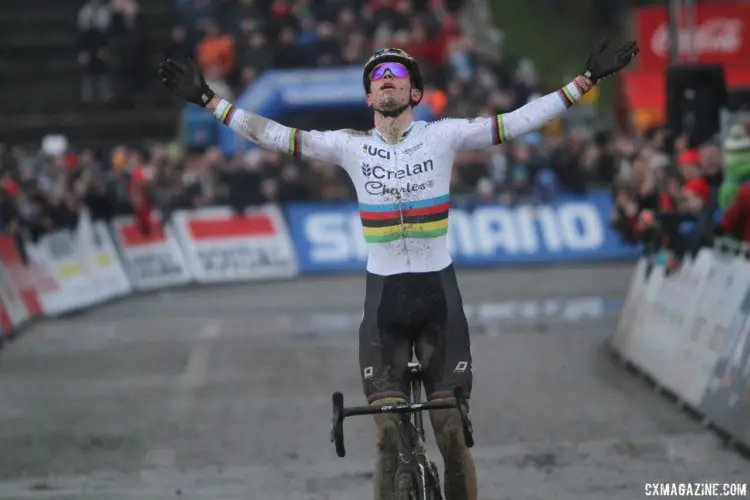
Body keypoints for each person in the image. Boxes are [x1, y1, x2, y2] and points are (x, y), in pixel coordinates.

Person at [158, 40, 639, 500]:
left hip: (439, 303)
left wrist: (587, 80)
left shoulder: (443, 135)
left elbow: (515, 123)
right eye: (378, 76)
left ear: (415, 93)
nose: (387, 79)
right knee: (387, 438)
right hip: (384, 305)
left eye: (398, 74)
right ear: (369, 95)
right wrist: (208, 100)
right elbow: (274, 135)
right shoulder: (349, 146)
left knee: (450, 433)